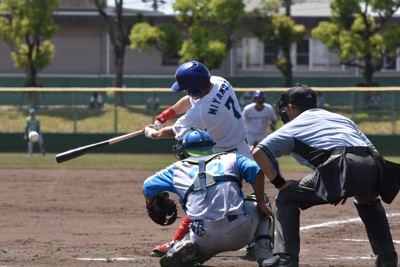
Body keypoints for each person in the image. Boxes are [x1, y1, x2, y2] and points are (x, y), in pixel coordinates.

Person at [252, 84, 398, 267]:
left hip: (342, 165)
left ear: (291, 108)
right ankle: (388, 258)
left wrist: (280, 182)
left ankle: (286, 259)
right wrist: (346, 182)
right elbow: (373, 150)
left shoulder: (294, 125)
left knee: (286, 197)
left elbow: (258, 152)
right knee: (368, 201)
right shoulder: (342, 118)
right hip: (373, 164)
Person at [143, 60, 257, 258]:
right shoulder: (220, 82)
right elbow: (189, 101)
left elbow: (173, 132)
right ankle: (258, 241)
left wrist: (152, 133)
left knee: (202, 197)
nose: (185, 92)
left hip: (224, 158)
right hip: (240, 146)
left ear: (194, 88)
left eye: (187, 88)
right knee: (209, 198)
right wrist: (164, 116)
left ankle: (177, 242)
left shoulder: (201, 114)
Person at [142, 129, 279, 267]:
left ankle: (186, 251)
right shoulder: (232, 157)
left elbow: (147, 186)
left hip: (203, 236)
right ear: (211, 147)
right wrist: (260, 202)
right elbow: (256, 169)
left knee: (194, 233)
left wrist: (152, 201)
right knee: (262, 202)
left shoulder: (176, 169)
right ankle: (264, 257)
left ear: (185, 150)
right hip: (239, 233)